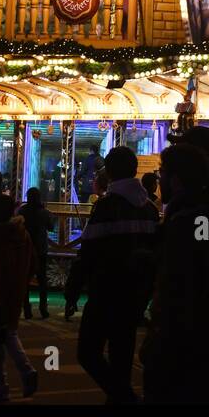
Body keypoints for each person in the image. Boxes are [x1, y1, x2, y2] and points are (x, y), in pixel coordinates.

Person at [140, 144, 209, 404]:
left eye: (161, 173)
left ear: (176, 179)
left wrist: (160, 337)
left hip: (185, 341)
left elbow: (180, 285)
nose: (159, 179)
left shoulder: (188, 220)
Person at [65, 146, 158, 403]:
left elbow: (89, 252)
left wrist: (73, 288)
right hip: (136, 293)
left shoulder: (107, 206)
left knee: (88, 352)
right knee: (122, 353)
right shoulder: (149, 208)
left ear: (110, 170)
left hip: (106, 290)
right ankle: (120, 396)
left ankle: (125, 398)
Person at [0, 194, 40, 402]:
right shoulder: (22, 234)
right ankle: (3, 382)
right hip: (16, 290)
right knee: (7, 334)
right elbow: (33, 262)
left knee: (1, 336)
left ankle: (12, 378)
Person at [18, 187, 53, 319]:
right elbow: (51, 226)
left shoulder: (22, 211)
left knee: (25, 279)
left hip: (26, 248)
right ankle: (43, 308)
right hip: (41, 249)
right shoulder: (43, 212)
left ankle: (27, 308)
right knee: (42, 280)